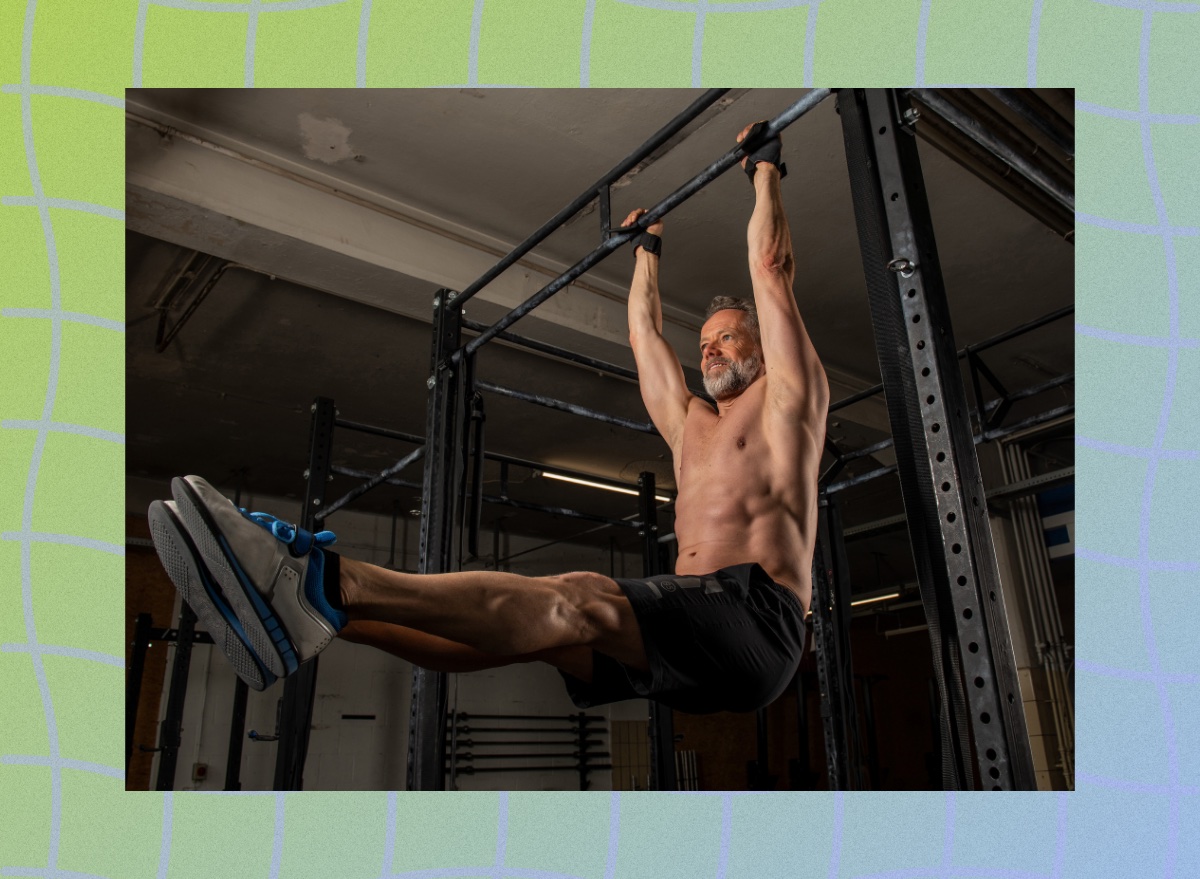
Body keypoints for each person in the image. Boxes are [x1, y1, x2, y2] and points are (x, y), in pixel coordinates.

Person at [147, 121, 828, 714]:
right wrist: (646, 251)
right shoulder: (691, 425)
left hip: (755, 624)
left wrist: (764, 170)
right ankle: (312, 619)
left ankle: (324, 578)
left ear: (765, 349)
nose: (709, 347)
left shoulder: (788, 402)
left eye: (727, 338)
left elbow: (771, 269)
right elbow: (646, 342)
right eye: (704, 340)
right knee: (546, 635)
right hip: (690, 625)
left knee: (578, 597)